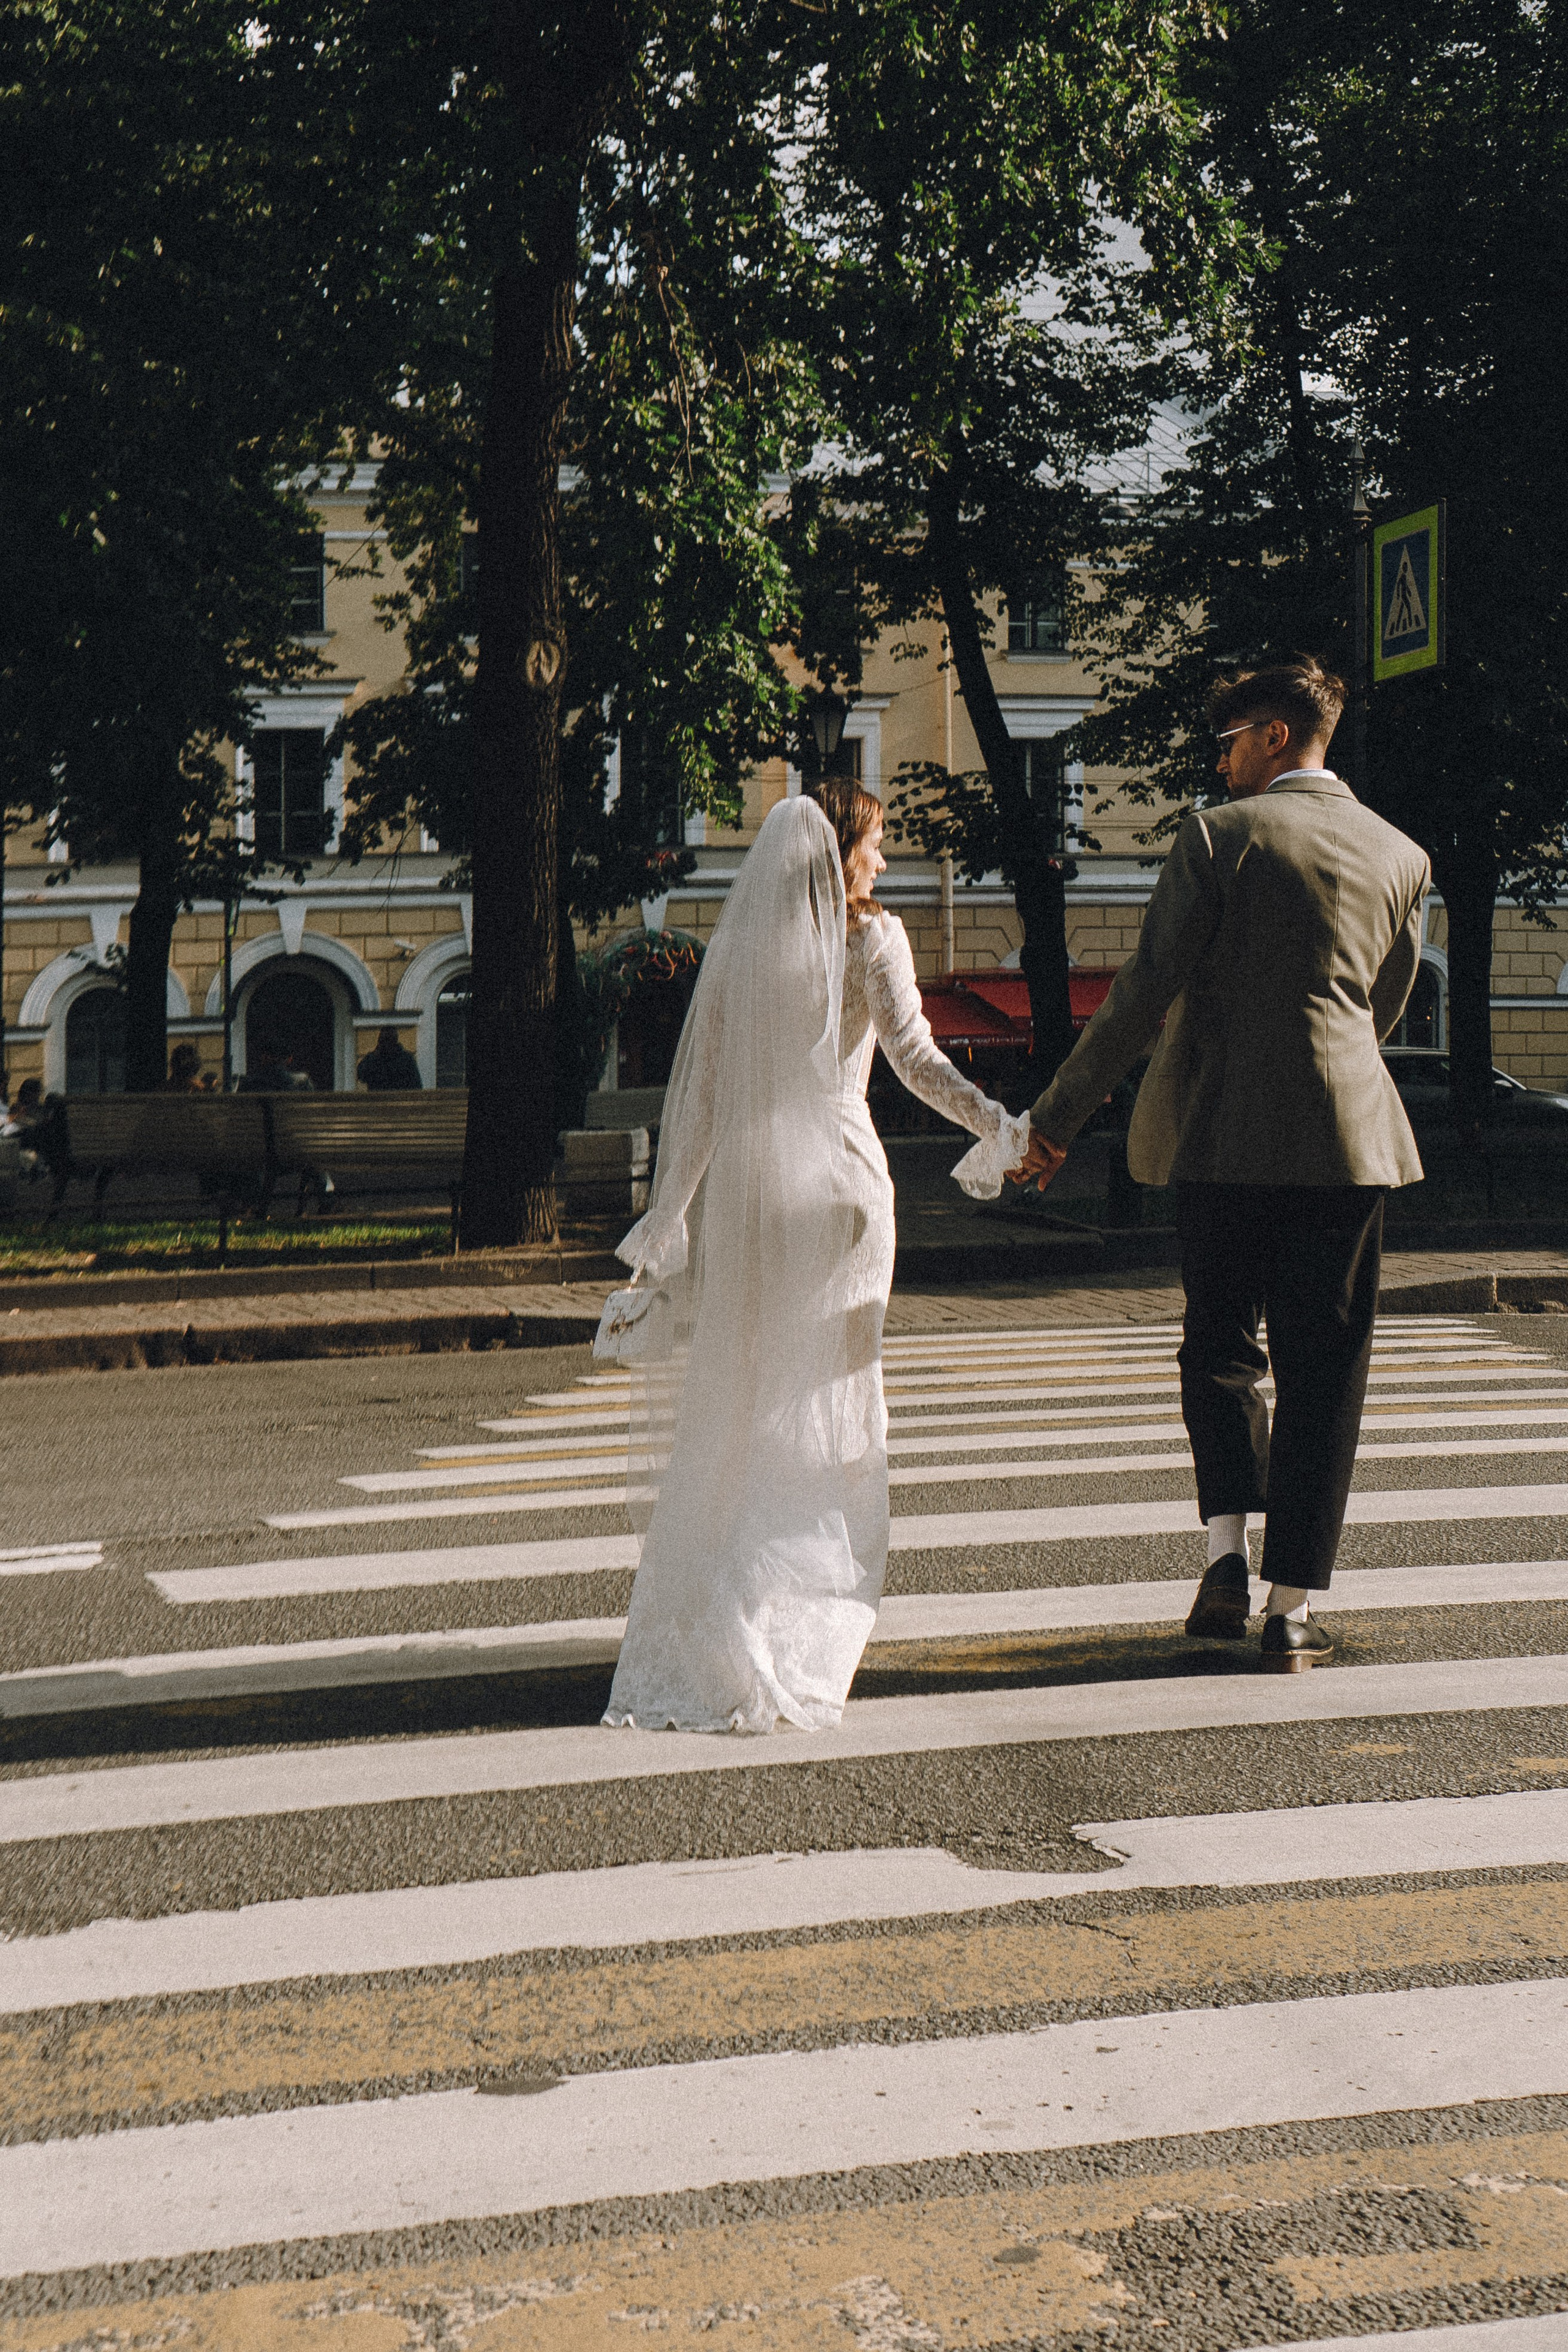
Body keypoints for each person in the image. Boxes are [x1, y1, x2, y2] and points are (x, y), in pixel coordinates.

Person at [1014, 657, 1429, 1669]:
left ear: (1275, 736)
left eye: (1231, 740)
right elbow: (1384, 1004)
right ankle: (1291, 1609)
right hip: (1349, 1141)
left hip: (1220, 1135)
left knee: (1219, 1346)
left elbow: (1142, 993)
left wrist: (1057, 1118)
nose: (1221, 759)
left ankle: (1225, 1564)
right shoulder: (1402, 854)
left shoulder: (1217, 836)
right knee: (1326, 1368)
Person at [603, 786, 1028, 1733]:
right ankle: (805, 1594)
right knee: (831, 1396)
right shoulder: (873, 940)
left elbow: (703, 1097)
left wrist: (666, 1217)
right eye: (875, 845)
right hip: (840, 1184)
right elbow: (915, 1059)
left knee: (752, 1390)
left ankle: (735, 1598)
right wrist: (996, 1124)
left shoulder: (744, 948)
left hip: (753, 1190)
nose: (884, 862)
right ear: (840, 855)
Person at [358, 1026, 423, 1090]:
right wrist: (374, 1055)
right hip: (379, 1096)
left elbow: (416, 1087)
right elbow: (361, 1075)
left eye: (388, 1040)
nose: (386, 1044)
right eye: (383, 1040)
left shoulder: (406, 1060)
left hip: (399, 1096)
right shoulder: (373, 1059)